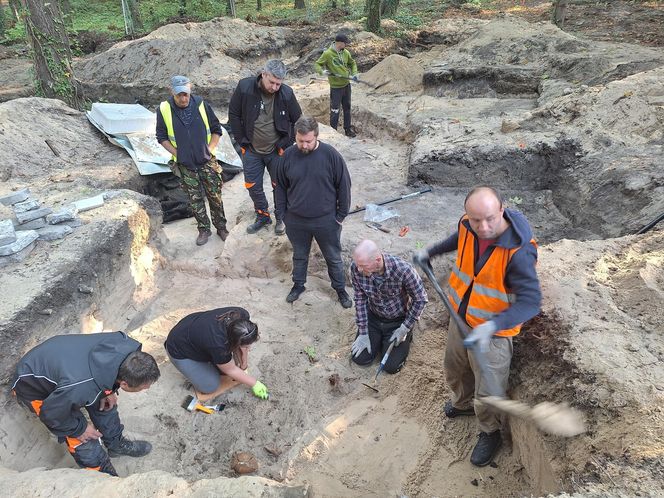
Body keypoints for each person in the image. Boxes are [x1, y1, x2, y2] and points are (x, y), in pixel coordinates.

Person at [413, 186, 541, 467]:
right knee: (454, 367)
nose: (483, 227)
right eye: (475, 220)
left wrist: (492, 325)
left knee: (489, 390)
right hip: (460, 316)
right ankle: (462, 404)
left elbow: (531, 302)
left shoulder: (518, 253)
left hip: (492, 334)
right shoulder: (467, 225)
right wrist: (430, 252)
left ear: (502, 210)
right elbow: (458, 238)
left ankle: (490, 432)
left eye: (490, 219)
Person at [12, 332, 160, 477]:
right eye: (142, 387)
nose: (146, 388)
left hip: (68, 371)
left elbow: (100, 376)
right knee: (83, 438)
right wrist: (79, 428)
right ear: (125, 383)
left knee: (107, 403)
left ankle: (116, 445)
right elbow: (51, 414)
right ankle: (102, 474)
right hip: (33, 386)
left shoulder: (124, 347)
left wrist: (108, 391)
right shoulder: (80, 386)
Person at [275, 116, 353, 308]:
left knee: (333, 258)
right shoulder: (288, 156)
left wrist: (340, 216)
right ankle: (298, 285)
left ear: (316, 136)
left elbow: (344, 186)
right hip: (296, 220)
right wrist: (282, 214)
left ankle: (340, 289)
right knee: (299, 255)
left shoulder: (331, 155)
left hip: (326, 220)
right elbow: (280, 188)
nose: (304, 145)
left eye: (308, 141)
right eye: (300, 141)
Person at [228, 60, 302, 235]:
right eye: (272, 82)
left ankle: (281, 217)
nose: (275, 87)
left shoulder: (286, 94)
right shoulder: (245, 88)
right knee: (253, 185)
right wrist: (241, 141)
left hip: (277, 151)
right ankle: (262, 216)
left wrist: (286, 143)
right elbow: (234, 114)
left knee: (280, 186)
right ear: (264, 74)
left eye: (279, 84)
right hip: (251, 150)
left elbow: (297, 119)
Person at [156, 75, 228, 246]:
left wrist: (209, 149)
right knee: (195, 200)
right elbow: (161, 136)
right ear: (172, 92)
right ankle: (204, 230)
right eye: (179, 95)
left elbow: (217, 129)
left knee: (215, 197)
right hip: (186, 165)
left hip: (206, 162)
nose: (183, 98)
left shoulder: (201, 104)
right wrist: (177, 154)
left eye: (186, 94)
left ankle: (221, 227)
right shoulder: (164, 109)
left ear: (190, 91)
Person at [350, 240, 428, 373]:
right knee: (360, 358)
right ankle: (378, 339)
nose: (359, 269)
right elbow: (360, 299)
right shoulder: (357, 268)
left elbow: (420, 299)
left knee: (390, 367)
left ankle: (406, 337)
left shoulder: (403, 270)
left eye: (363, 265)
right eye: (358, 265)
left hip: (397, 322)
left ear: (378, 260)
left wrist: (405, 328)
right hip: (374, 317)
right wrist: (363, 332)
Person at [164, 307, 269, 402]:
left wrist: (243, 365)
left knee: (226, 367)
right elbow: (230, 369)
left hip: (193, 328)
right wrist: (254, 383)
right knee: (210, 386)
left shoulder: (242, 315)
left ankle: (209, 357)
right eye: (246, 346)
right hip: (179, 348)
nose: (249, 348)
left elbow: (243, 347)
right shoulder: (218, 345)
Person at [314, 33, 359, 138]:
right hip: (336, 88)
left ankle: (347, 129)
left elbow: (352, 63)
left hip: (346, 85)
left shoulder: (346, 53)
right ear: (339, 43)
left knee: (347, 107)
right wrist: (322, 71)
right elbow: (317, 64)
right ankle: (333, 132)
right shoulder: (328, 54)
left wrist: (354, 73)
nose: (346, 45)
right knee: (335, 110)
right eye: (345, 43)